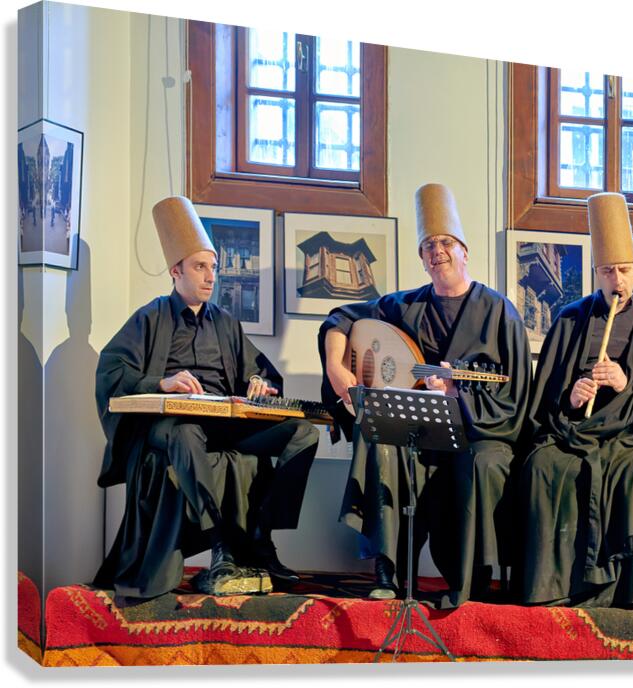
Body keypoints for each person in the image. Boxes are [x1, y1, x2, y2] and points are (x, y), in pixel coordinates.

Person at [94, 196, 320, 599]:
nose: (210, 277)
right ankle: (218, 537)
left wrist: (258, 383)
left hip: (225, 423)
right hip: (172, 425)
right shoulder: (151, 317)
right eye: (200, 267)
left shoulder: (226, 323)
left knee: (302, 433)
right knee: (185, 434)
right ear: (175, 270)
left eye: (213, 268)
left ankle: (260, 535)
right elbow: (112, 372)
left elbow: (262, 370)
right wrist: (161, 383)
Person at [319, 183, 531, 607]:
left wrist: (458, 395)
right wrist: (336, 367)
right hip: (418, 427)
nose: (438, 251)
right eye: (429, 245)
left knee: (479, 461)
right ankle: (389, 571)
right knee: (379, 436)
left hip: (476, 432)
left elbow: (515, 393)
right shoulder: (405, 306)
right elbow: (340, 317)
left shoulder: (498, 311)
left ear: (464, 251)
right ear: (422, 257)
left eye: (446, 243)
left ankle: (468, 580)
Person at [518, 192, 633, 608]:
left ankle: (625, 591)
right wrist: (572, 398)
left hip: (631, 438)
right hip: (573, 432)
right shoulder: (570, 318)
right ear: (597, 272)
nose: (619, 280)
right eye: (609, 271)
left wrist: (628, 383)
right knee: (543, 466)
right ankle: (553, 588)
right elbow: (544, 399)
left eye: (625, 270)